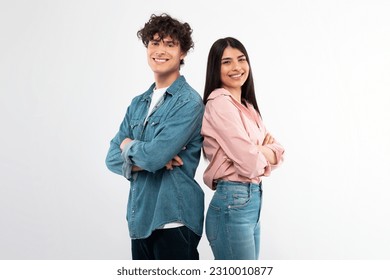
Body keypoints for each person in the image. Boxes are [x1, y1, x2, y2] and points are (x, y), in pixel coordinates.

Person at [105, 13, 204, 260]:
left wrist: (128, 145)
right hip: (140, 219)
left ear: (182, 53)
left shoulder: (189, 102)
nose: (160, 50)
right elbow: (110, 158)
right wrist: (146, 160)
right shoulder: (138, 104)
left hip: (174, 220)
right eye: (155, 43)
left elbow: (155, 156)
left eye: (170, 44)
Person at [201, 37, 284, 260]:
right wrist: (261, 151)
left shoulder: (249, 107)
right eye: (226, 62)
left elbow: (279, 151)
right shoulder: (219, 103)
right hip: (233, 204)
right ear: (215, 68)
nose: (236, 67)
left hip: (251, 203)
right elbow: (249, 163)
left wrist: (259, 151)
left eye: (241, 59)